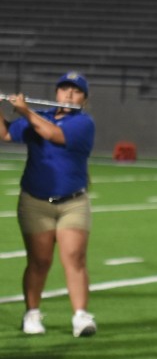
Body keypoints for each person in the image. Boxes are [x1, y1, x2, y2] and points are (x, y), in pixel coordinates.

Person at [0, 72, 97, 337]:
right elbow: (6, 133)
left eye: (75, 91)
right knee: (39, 261)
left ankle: (80, 316)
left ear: (84, 98)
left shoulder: (84, 123)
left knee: (74, 258)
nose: (68, 95)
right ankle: (31, 313)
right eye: (64, 89)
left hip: (72, 203)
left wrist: (26, 111)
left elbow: (53, 134)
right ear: (56, 93)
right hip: (35, 202)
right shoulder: (41, 116)